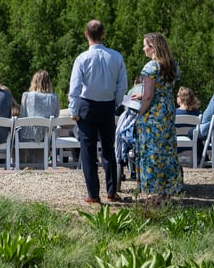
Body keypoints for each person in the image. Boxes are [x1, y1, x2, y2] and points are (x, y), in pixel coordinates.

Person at [68, 20, 128, 204]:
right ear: (103, 34)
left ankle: (93, 194)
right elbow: (122, 85)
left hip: (87, 106)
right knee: (109, 150)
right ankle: (111, 191)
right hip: (107, 105)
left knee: (88, 151)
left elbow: (75, 87)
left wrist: (74, 109)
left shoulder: (82, 58)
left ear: (86, 34)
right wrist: (115, 104)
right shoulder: (116, 57)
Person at [131, 33, 185, 205]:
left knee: (151, 152)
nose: (143, 48)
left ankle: (152, 193)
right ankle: (166, 191)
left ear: (153, 47)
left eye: (145, 45)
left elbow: (148, 96)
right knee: (166, 150)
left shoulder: (151, 67)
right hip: (168, 110)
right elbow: (162, 89)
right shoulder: (171, 65)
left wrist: (140, 113)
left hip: (153, 114)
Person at [18, 70, 59, 165]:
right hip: (47, 136)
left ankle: (20, 164)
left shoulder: (27, 96)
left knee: (14, 134)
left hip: (28, 134)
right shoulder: (54, 97)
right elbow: (56, 117)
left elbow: (22, 116)